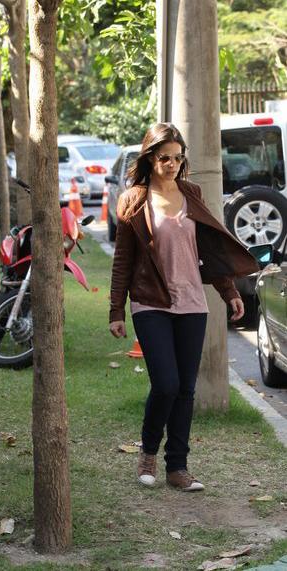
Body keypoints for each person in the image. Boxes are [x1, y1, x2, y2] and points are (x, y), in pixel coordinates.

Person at [109, 123, 258, 492]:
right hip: (151, 301)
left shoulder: (192, 193)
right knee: (166, 383)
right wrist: (116, 309)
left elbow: (207, 249)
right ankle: (148, 452)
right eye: (164, 158)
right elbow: (123, 258)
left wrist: (229, 292)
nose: (172, 164)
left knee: (186, 389)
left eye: (178, 158)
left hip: (192, 301)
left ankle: (177, 467)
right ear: (150, 158)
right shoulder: (134, 198)